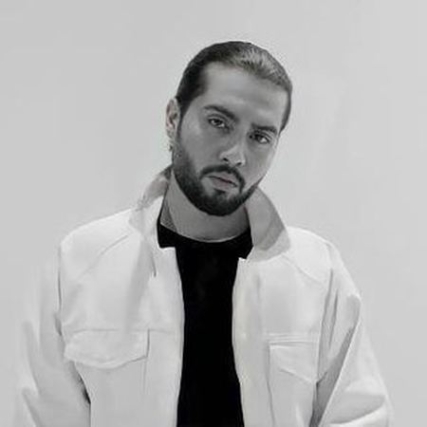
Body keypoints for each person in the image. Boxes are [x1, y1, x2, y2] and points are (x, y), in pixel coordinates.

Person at [13, 41, 393, 426]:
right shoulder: (82, 264)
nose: (236, 154)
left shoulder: (317, 274)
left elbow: (360, 416)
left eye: (260, 136)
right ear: (173, 118)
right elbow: (44, 416)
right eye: (219, 122)